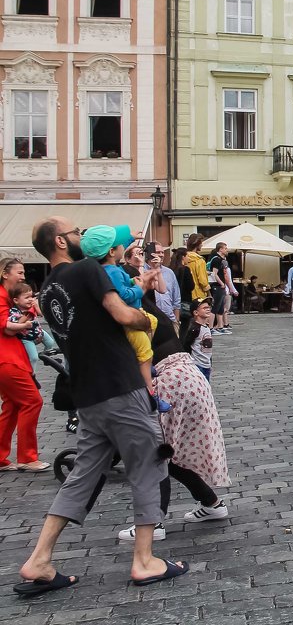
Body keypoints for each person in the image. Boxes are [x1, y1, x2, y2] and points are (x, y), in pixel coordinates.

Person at [17, 216, 183, 594]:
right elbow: (122, 314)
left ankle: (39, 560)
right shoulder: (87, 269)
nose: (81, 237)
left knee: (81, 476)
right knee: (148, 466)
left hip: (87, 395)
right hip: (120, 387)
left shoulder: (46, 292)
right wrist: (147, 320)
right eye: (76, 232)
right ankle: (145, 560)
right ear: (61, 241)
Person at [118, 298, 230, 540]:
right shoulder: (143, 305)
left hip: (169, 380)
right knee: (171, 453)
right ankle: (212, 503)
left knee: (156, 453)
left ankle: (153, 523)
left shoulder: (126, 311)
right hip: (188, 376)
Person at [81, 225, 160, 399]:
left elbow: (117, 244)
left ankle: (146, 365)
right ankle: (150, 390)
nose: (125, 248)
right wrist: (140, 288)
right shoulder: (113, 271)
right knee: (145, 350)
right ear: (111, 252)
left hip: (129, 316)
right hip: (130, 317)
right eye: (121, 245)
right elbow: (122, 296)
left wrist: (133, 280)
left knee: (152, 323)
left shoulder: (103, 269)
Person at [0, 261, 47, 472]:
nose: (22, 276)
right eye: (19, 272)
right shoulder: (2, 297)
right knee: (32, 401)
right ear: (4, 274)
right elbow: (8, 328)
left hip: (10, 358)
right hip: (8, 359)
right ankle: (27, 457)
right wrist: (26, 322)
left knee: (12, 406)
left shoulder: (10, 298)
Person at [148, 243, 181, 330]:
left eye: (162, 252)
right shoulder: (142, 270)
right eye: (158, 252)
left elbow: (176, 297)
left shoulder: (169, 272)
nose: (161, 255)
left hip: (169, 318)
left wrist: (176, 320)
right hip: (151, 319)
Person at [182, 233, 210, 328]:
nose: (202, 245)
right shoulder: (199, 260)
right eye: (201, 243)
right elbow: (202, 281)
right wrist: (208, 292)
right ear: (197, 244)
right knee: (199, 320)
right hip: (198, 293)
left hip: (186, 293)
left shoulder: (183, 258)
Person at [183, 299, 215, 381]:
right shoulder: (195, 329)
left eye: (208, 307)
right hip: (197, 364)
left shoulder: (207, 327)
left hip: (206, 364)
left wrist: (210, 364)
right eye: (204, 308)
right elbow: (186, 344)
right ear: (196, 313)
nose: (208, 309)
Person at [207, 243, 235, 334]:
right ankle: (210, 328)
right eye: (225, 248)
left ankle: (220, 326)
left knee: (220, 308)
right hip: (217, 286)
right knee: (215, 307)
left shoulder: (222, 260)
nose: (227, 250)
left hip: (221, 286)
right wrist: (222, 283)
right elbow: (214, 273)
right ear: (220, 249)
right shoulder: (216, 260)